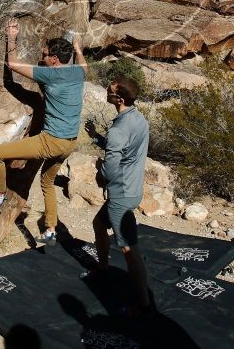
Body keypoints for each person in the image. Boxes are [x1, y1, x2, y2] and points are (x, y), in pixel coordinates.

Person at [0, 18, 87, 245]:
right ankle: (51, 230)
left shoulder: (51, 74)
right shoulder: (78, 72)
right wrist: (77, 49)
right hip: (70, 143)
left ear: (54, 60)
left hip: (51, 141)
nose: (41, 57)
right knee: (47, 182)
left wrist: (12, 37)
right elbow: (84, 64)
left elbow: (13, 65)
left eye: (44, 55)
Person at [83, 76, 151, 318]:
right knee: (98, 225)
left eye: (109, 91)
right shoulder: (138, 118)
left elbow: (110, 167)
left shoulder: (119, 128)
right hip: (131, 188)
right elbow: (123, 147)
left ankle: (142, 303)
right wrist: (96, 136)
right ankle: (102, 267)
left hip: (120, 193)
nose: (106, 93)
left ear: (119, 99)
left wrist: (101, 175)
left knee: (128, 249)